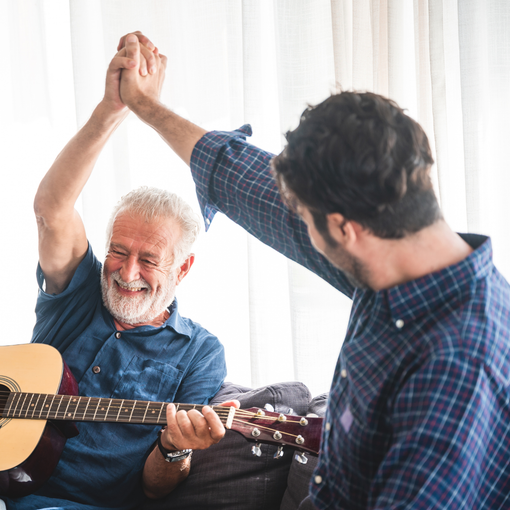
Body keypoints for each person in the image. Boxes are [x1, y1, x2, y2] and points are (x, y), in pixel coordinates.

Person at [115, 33, 510, 509]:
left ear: (344, 229)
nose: (294, 223)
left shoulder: (456, 369)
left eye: (303, 217)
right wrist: (143, 104)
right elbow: (240, 176)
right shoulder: (394, 243)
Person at [2, 40, 238, 510]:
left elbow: (155, 487)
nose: (127, 272)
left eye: (149, 259)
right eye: (118, 251)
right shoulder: (80, 292)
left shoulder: (200, 352)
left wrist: (174, 448)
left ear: (183, 268)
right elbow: (52, 210)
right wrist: (113, 108)